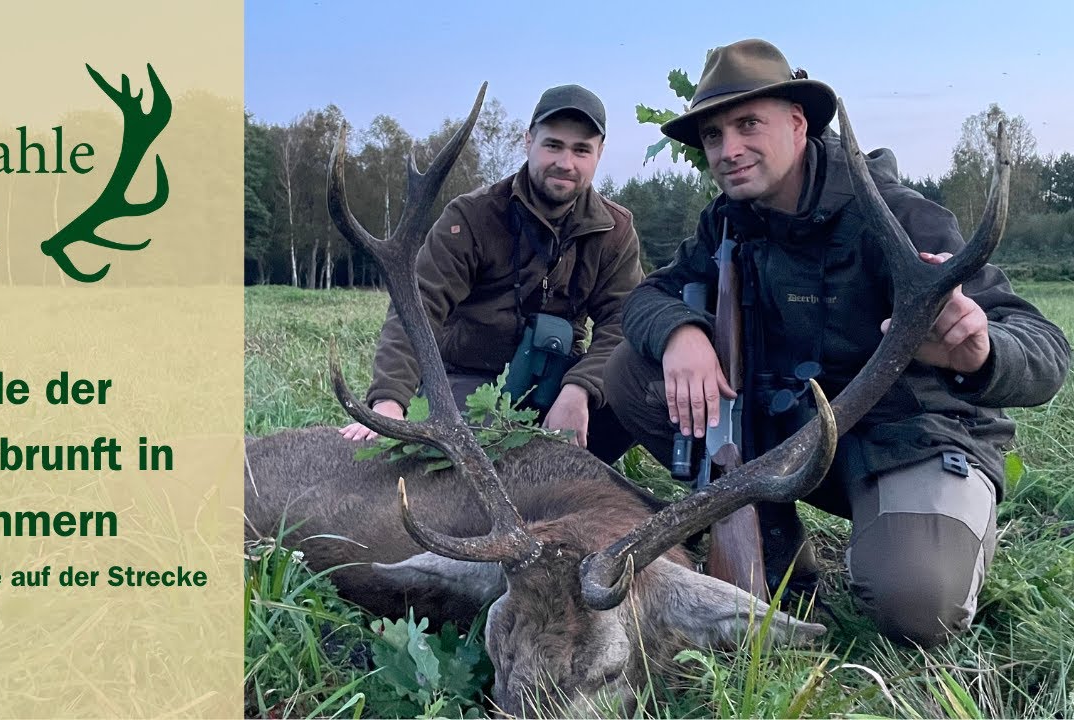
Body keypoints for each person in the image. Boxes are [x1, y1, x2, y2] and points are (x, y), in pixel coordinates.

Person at [604, 39, 1069, 646]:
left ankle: (943, 525)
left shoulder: (899, 216)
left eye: (748, 125)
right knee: (629, 373)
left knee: (915, 605)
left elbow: (1046, 349)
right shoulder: (727, 220)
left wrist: (980, 351)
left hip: (910, 441)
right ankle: (779, 551)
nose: (729, 150)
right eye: (714, 136)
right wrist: (679, 333)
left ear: (798, 125)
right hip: (800, 436)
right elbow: (647, 297)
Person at [340, 84, 643, 464]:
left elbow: (622, 322)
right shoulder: (471, 217)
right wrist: (388, 401)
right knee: (449, 455)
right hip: (470, 379)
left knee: (640, 397)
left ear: (599, 153)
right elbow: (418, 307)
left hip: (557, 383)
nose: (566, 162)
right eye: (553, 145)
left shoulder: (613, 230)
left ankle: (569, 471)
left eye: (581, 149)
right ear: (528, 141)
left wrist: (580, 388)